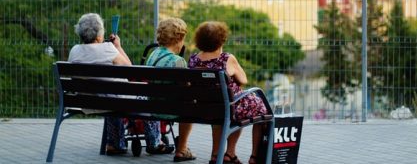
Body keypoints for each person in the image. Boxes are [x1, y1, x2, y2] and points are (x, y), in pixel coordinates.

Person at [68, 13, 172, 156]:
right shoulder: (108, 49)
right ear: (99, 34)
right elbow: (130, 69)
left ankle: (115, 144)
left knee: (112, 99)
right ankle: (154, 142)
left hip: (87, 103)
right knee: (145, 98)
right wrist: (118, 46)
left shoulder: (75, 50)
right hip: (114, 101)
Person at [188, 21, 267, 164]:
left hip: (203, 108)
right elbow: (243, 79)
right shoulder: (226, 58)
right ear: (221, 40)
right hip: (228, 107)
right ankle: (253, 157)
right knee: (260, 108)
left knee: (229, 108)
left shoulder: (193, 60)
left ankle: (221, 155)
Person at [146, 17, 196, 162]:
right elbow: (187, 90)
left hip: (153, 107)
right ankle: (181, 149)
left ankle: (181, 147)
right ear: (179, 38)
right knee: (190, 104)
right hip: (171, 111)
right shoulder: (178, 61)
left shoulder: (152, 54)